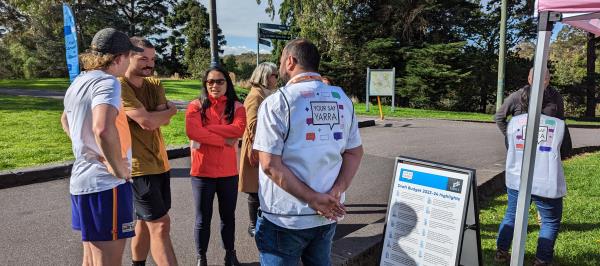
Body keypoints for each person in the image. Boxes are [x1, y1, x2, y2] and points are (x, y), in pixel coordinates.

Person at [253, 39, 364, 266]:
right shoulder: (342, 99)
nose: (280, 66)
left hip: (285, 218)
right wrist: (336, 191)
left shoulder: (278, 102)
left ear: (291, 61)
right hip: (328, 213)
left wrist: (313, 199)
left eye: (281, 61)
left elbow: (269, 164)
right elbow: (354, 152)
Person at [61, 28, 142, 266]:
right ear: (119, 58)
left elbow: (65, 120)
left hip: (82, 183)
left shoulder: (79, 81)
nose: (129, 62)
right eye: (129, 56)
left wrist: (87, 149)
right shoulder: (108, 82)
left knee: (91, 260)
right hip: (106, 185)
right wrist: (117, 167)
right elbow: (103, 128)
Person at [118, 37, 178, 266]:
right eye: (143, 58)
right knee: (160, 224)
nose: (149, 64)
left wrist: (160, 115)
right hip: (137, 167)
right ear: (127, 57)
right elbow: (148, 122)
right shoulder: (119, 84)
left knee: (144, 222)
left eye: (152, 59)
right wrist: (166, 112)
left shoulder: (154, 84)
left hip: (160, 163)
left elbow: (161, 121)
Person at [185, 66, 246, 266]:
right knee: (203, 218)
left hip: (228, 172)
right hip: (202, 172)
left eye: (220, 81)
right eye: (210, 81)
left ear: (227, 83)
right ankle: (201, 257)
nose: (215, 85)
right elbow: (194, 132)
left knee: (228, 217)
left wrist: (208, 129)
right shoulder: (195, 105)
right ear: (205, 84)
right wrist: (224, 139)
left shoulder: (237, 106)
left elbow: (238, 129)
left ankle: (230, 254)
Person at [495, 111, 571, 266]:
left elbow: (509, 145)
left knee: (512, 215)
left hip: (517, 178)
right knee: (549, 221)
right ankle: (542, 260)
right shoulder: (558, 124)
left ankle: (501, 252)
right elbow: (566, 151)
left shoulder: (514, 122)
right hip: (546, 181)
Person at [239, 62, 279, 238]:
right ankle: (253, 224)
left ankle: (262, 222)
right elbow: (252, 124)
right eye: (274, 75)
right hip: (256, 147)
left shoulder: (267, 94)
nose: (276, 78)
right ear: (265, 76)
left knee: (264, 188)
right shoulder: (255, 96)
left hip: (264, 145)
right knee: (254, 190)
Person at [494, 67, 571, 152]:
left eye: (545, 79)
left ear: (549, 79)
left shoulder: (556, 97)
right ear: (529, 79)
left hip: (545, 147)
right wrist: (511, 136)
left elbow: (560, 123)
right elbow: (499, 117)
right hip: (521, 145)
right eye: (537, 78)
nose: (541, 82)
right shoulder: (517, 97)